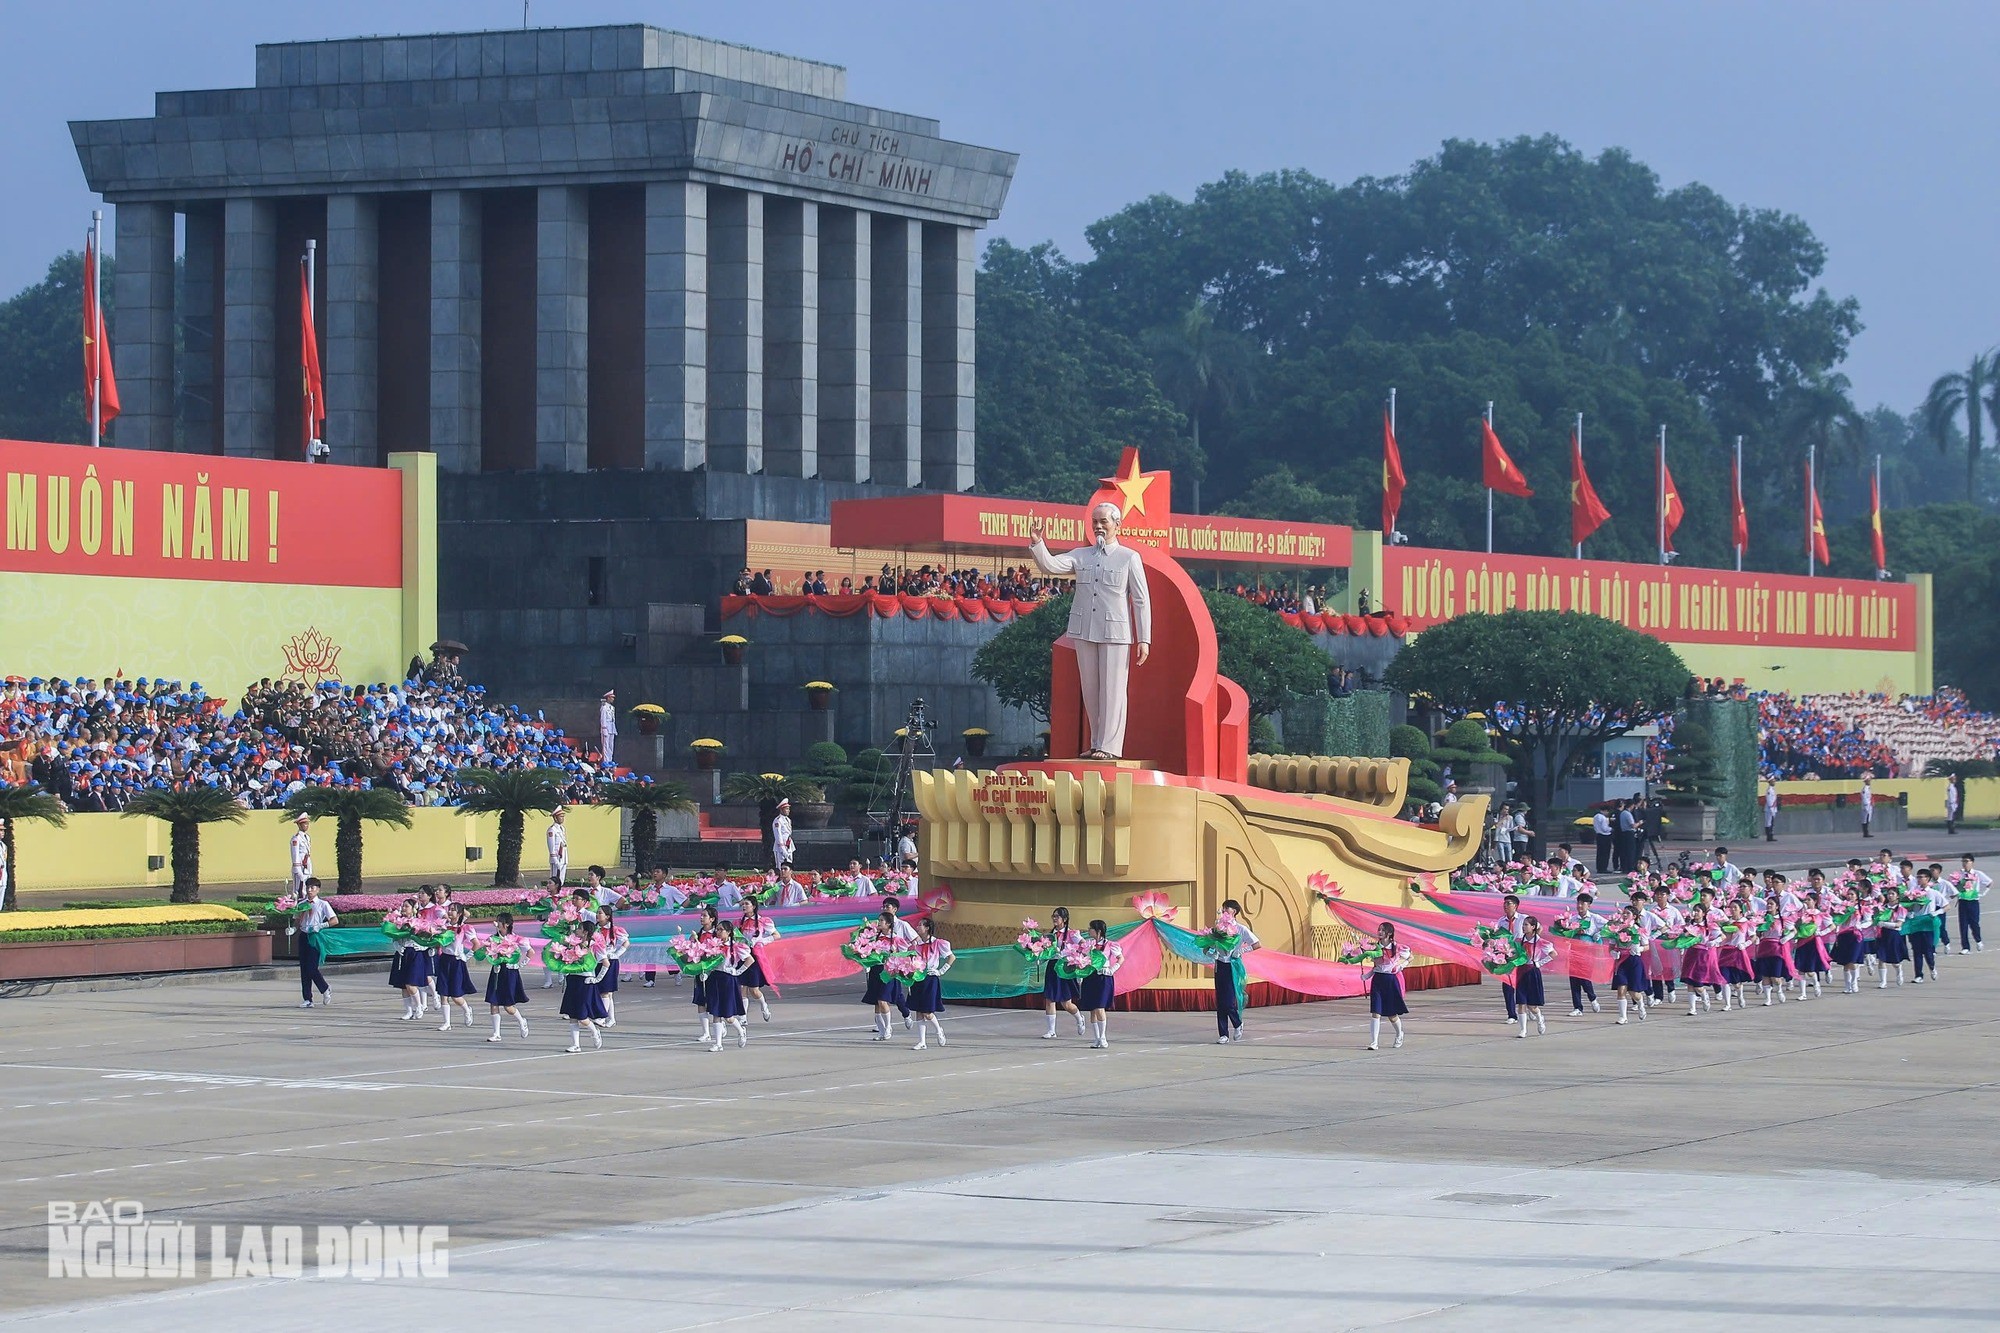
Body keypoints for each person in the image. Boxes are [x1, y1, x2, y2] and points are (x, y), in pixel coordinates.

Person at [1026, 502, 1152, 760]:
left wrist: (1145, 638)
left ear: (1118, 524)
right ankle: (1097, 743)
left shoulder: (1129, 557)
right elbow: (1051, 565)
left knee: (1113, 690)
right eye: (1095, 521)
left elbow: (1141, 600)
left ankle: (1111, 747)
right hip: (1084, 629)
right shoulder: (1081, 555)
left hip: (1116, 632)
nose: (1098, 526)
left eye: (1104, 521)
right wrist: (1039, 543)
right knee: (1091, 689)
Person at [864, 897, 920, 1040]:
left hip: (890, 970)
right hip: (876, 970)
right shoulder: (874, 936)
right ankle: (882, 1031)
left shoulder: (901, 928)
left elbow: (910, 946)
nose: (884, 908)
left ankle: (892, 1025)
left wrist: (905, 961)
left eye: (887, 906)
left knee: (887, 999)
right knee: (878, 1002)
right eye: (883, 906)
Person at [1209, 899, 1261, 1044]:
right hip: (1220, 965)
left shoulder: (1241, 929)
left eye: (1228, 909)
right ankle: (1223, 1034)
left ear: (1235, 912)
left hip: (1233, 965)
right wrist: (1211, 950)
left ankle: (1237, 1023)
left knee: (1229, 1001)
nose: (1224, 912)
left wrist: (1241, 950)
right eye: (1223, 909)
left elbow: (1257, 944)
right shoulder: (1218, 928)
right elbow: (1211, 943)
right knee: (1220, 1001)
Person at [559, 919, 609, 1052]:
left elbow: (606, 963)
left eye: (580, 928)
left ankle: (594, 1031)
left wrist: (597, 979)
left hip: (586, 981)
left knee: (582, 1015)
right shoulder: (574, 945)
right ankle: (576, 1044)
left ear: (585, 932)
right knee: (572, 1014)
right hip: (573, 979)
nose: (577, 931)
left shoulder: (594, 946)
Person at [482, 910, 531, 1041]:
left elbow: (530, 952)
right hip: (497, 970)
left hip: (510, 972)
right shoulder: (493, 939)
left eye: (499, 921)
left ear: (507, 924)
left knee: (508, 1006)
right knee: (493, 1001)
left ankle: (522, 1021)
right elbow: (485, 950)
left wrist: (521, 964)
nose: (497, 923)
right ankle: (496, 1033)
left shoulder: (517, 939)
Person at [1077, 918, 1125, 1050]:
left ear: (1098, 931)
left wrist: (1112, 969)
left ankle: (1103, 1037)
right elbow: (1082, 959)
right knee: (1092, 1009)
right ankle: (1096, 1038)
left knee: (1099, 1007)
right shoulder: (1088, 945)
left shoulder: (1110, 945)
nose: (1088, 930)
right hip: (1090, 977)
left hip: (1103, 977)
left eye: (1090, 928)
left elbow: (1121, 958)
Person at [909, 915, 955, 1051]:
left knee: (927, 1012)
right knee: (918, 1010)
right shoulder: (916, 945)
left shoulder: (938, 943)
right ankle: (922, 1041)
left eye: (920, 925)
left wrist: (941, 971)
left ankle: (938, 1030)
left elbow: (951, 957)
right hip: (918, 978)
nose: (917, 927)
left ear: (927, 928)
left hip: (930, 978)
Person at [706, 922, 753, 1051]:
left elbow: (750, 960)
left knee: (728, 1015)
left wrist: (738, 971)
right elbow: (708, 962)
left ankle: (741, 1031)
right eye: (717, 930)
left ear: (729, 932)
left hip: (728, 980)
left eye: (721, 930)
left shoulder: (736, 947)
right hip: (715, 978)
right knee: (715, 1012)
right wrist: (705, 972)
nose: (718, 932)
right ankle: (718, 1044)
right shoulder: (713, 946)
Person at [1040, 906, 1085, 1038]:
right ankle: (1051, 1031)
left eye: (1057, 916)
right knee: (1050, 999)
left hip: (1065, 968)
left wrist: (1072, 956)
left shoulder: (1072, 934)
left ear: (1064, 919)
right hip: (1052, 966)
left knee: (1066, 1003)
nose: (1054, 919)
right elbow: (1045, 951)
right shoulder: (1050, 935)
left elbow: (1083, 945)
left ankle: (1079, 1018)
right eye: (1053, 916)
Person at [1365, 922, 1411, 1052]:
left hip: (1390, 981)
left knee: (1392, 1014)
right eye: (1379, 929)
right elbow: (1375, 965)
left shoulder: (1397, 947)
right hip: (1377, 980)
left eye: (1382, 930)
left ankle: (1399, 1034)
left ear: (1389, 933)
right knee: (1376, 1012)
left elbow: (1409, 957)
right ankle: (1374, 1042)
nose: (1379, 932)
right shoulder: (1375, 947)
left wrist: (1399, 966)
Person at [433, 903, 480, 1031]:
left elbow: (476, 944)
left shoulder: (465, 928)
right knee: (443, 992)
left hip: (456, 961)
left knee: (455, 995)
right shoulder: (443, 926)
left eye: (453, 910)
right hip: (444, 960)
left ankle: (467, 1009)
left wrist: (467, 956)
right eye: (449, 910)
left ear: (459, 914)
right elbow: (437, 941)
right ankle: (447, 1023)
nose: (450, 912)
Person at [292, 877, 336, 1008]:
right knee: (304, 969)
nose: (310, 890)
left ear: (318, 889)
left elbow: (334, 920)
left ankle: (325, 988)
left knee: (312, 968)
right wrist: (293, 928)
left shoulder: (323, 904)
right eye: (308, 888)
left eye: (312, 888)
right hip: (304, 935)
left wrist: (321, 926)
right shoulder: (302, 904)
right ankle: (308, 999)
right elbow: (297, 919)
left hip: (315, 936)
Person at [1514, 918, 1555, 1038]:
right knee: (1521, 1002)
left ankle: (1539, 1018)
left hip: (1532, 972)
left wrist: (1540, 963)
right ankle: (1523, 1030)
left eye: (1526, 925)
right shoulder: (1519, 940)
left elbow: (1553, 954)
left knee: (1532, 1005)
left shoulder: (1540, 941)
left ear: (1533, 927)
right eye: (1523, 925)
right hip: (1521, 972)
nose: (1524, 927)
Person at [739, 901, 778, 1022]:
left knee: (754, 990)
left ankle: (764, 1006)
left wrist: (762, 941)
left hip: (755, 956)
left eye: (747, 904)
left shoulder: (763, 921)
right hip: (742, 955)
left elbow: (776, 935)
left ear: (754, 906)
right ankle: (743, 1016)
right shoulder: (739, 922)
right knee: (741, 987)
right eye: (743, 904)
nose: (744, 906)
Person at [1566, 891, 1604, 1015]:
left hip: (1587, 951)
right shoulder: (1572, 919)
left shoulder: (1594, 918)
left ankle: (1592, 997)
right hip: (1574, 950)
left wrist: (1598, 934)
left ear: (1589, 905)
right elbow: (1565, 932)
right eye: (1578, 903)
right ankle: (1577, 1007)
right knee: (1573, 979)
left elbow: (1609, 926)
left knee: (1584, 978)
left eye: (1583, 903)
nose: (1580, 906)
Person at [1953, 854, 1989, 952]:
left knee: (1974, 923)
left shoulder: (1978, 873)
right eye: (1963, 861)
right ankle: (1965, 947)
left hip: (1973, 902)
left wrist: (1983, 893)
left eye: (1967, 861)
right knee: (1963, 925)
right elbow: (1953, 885)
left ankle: (1978, 940)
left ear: (1972, 862)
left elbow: (1989, 882)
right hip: (1963, 901)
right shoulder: (1959, 874)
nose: (1965, 863)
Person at [288, 813, 314, 895]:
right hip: (300, 864)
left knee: (307, 883)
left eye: (307, 823)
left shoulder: (307, 837)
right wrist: (297, 867)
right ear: (299, 825)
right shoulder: (296, 838)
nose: (306, 825)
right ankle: (298, 900)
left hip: (307, 863)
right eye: (304, 824)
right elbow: (295, 853)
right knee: (298, 886)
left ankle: (305, 898)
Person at [771, 798, 796, 871]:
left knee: (789, 864)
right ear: (781, 810)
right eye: (786, 809)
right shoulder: (778, 820)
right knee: (780, 865)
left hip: (789, 845)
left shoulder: (788, 820)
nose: (788, 810)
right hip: (780, 847)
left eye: (788, 809)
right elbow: (778, 835)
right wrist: (782, 849)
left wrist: (788, 847)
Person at [546, 807, 569, 886]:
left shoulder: (562, 828)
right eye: (560, 816)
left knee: (561, 878)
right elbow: (551, 845)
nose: (562, 818)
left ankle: (560, 891)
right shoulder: (552, 830)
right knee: (554, 877)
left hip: (563, 856)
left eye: (563, 816)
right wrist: (554, 859)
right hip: (557, 856)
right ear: (555, 818)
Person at [598, 690, 617, 767]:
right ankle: (606, 761)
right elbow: (603, 719)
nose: (613, 699)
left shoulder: (612, 707)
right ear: (608, 698)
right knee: (605, 746)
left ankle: (610, 760)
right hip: (606, 728)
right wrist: (604, 729)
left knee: (611, 746)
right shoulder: (604, 707)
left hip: (611, 728)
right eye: (612, 697)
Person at [1592, 806, 1613, 875]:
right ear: (1604, 811)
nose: (1607, 813)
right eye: (1607, 811)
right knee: (1605, 853)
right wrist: (1611, 829)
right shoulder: (1603, 818)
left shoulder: (1595, 816)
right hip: (1605, 836)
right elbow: (1605, 828)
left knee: (1599, 853)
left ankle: (1599, 867)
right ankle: (1604, 868)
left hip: (1598, 835)